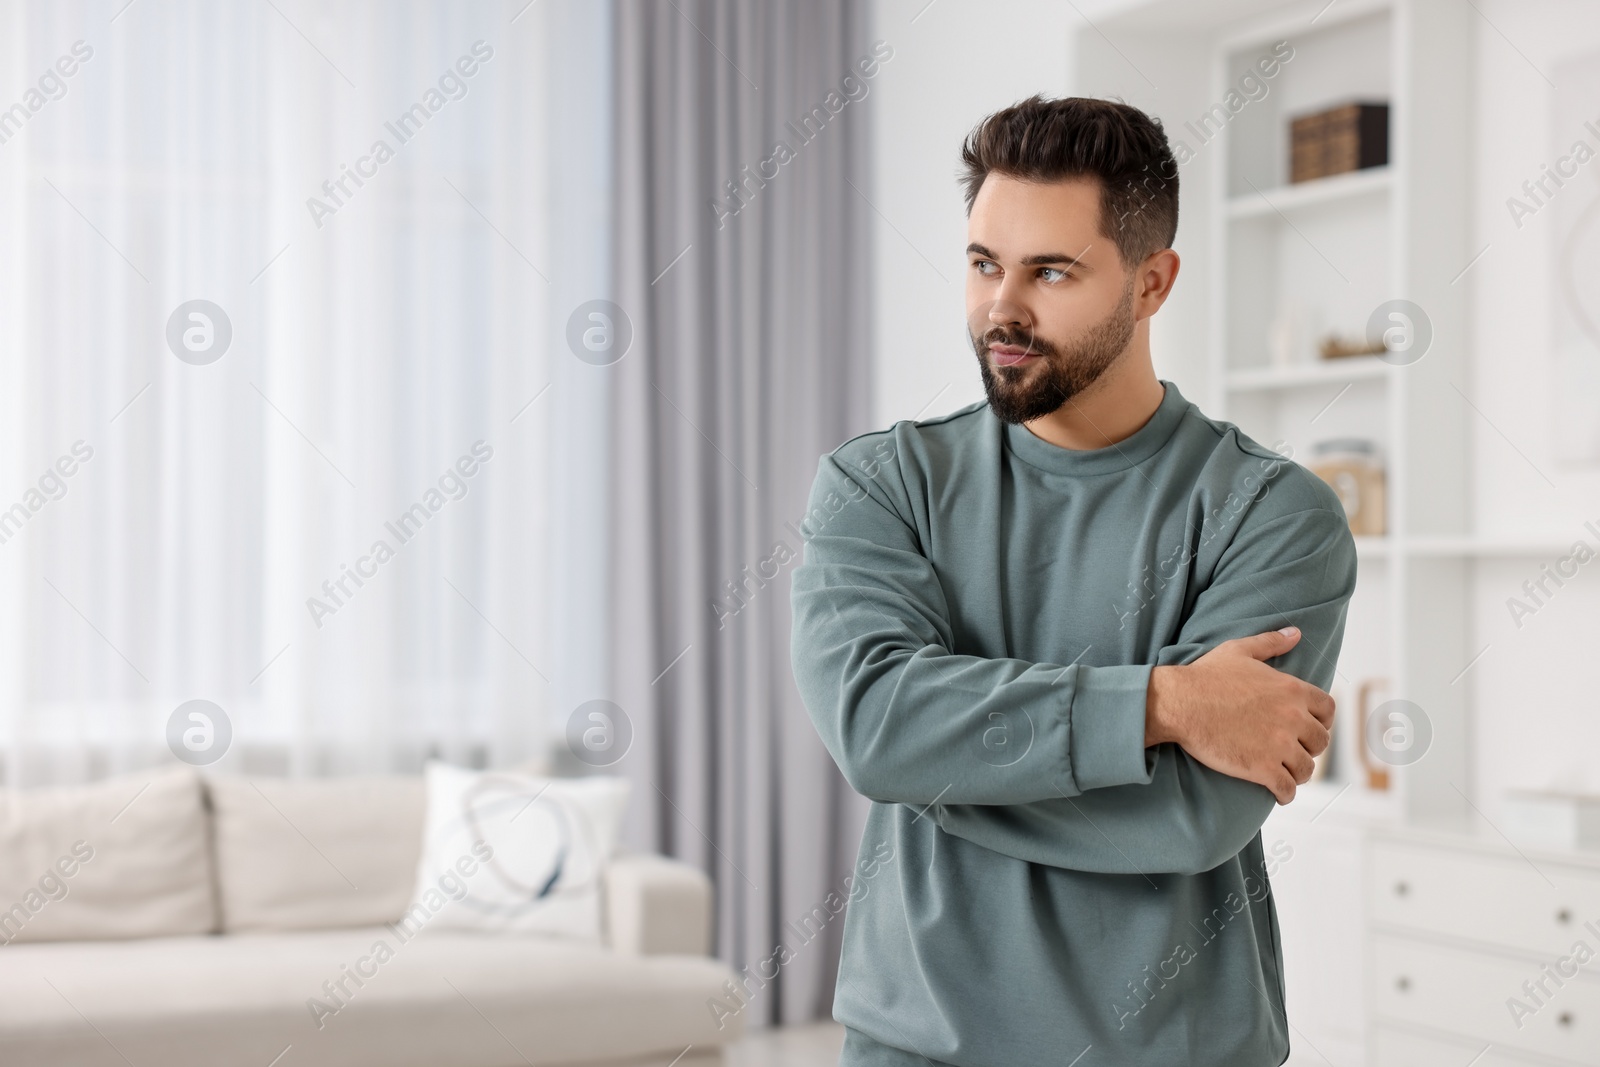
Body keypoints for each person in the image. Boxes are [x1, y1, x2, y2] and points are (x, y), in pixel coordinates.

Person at [789, 94, 1357, 1067]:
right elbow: (878, 726)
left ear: (1151, 282)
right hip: (916, 1044)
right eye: (982, 264)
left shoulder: (1273, 513)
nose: (1001, 307)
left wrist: (943, 756)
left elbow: (1191, 814)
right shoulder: (879, 484)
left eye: (1050, 270)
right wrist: (1166, 701)